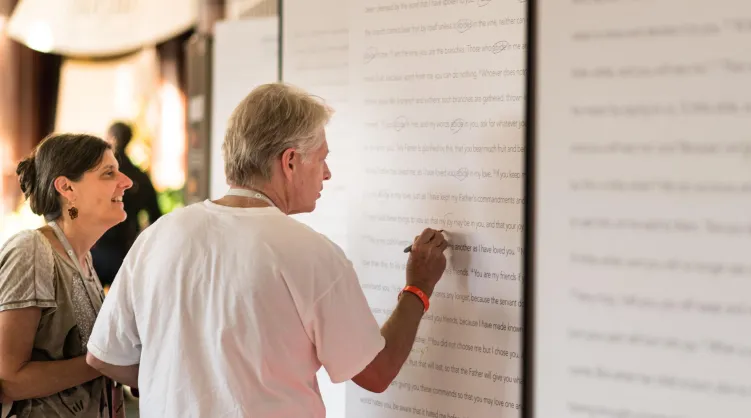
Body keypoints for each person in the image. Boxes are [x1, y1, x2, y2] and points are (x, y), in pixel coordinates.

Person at [85, 83, 450, 417]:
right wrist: (418, 287)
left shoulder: (158, 236)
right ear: (290, 162)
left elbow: (104, 356)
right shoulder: (312, 254)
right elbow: (376, 372)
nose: (327, 174)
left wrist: (176, 383)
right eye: (321, 159)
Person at [0, 133, 133, 417]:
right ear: (66, 188)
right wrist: (108, 360)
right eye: (109, 173)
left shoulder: (83, 260)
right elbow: (9, 379)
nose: (127, 181)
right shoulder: (32, 251)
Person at [91, 121, 162, 289]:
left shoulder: (94, 175)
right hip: (126, 251)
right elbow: (156, 217)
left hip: (95, 249)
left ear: (110, 139)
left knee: (89, 310)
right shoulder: (140, 177)